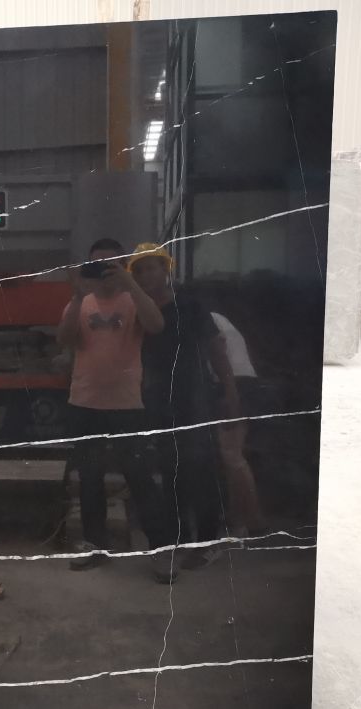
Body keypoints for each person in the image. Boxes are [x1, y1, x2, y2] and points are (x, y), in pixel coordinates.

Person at [56, 238, 176, 582]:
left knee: (140, 477)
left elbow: (156, 325)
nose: (105, 270)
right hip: (85, 403)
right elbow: (64, 340)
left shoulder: (133, 300)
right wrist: (77, 295)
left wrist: (131, 284)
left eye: (113, 263)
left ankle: (161, 551)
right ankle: (95, 546)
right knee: (89, 479)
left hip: (127, 406)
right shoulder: (81, 302)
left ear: (123, 265)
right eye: (99, 264)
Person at [128, 243, 240, 568]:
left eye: (152, 268)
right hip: (157, 397)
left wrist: (230, 390)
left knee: (201, 467)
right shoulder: (138, 311)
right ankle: (180, 538)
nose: (147, 275)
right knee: (170, 469)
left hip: (194, 394)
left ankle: (208, 541)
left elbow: (216, 348)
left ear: (166, 269)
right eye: (140, 270)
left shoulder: (189, 306)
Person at [209, 311, 265, 537]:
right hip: (238, 382)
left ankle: (255, 521)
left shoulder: (206, 318)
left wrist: (230, 395)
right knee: (230, 456)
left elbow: (220, 352)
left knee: (231, 455)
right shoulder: (219, 318)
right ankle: (238, 520)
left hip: (232, 383)